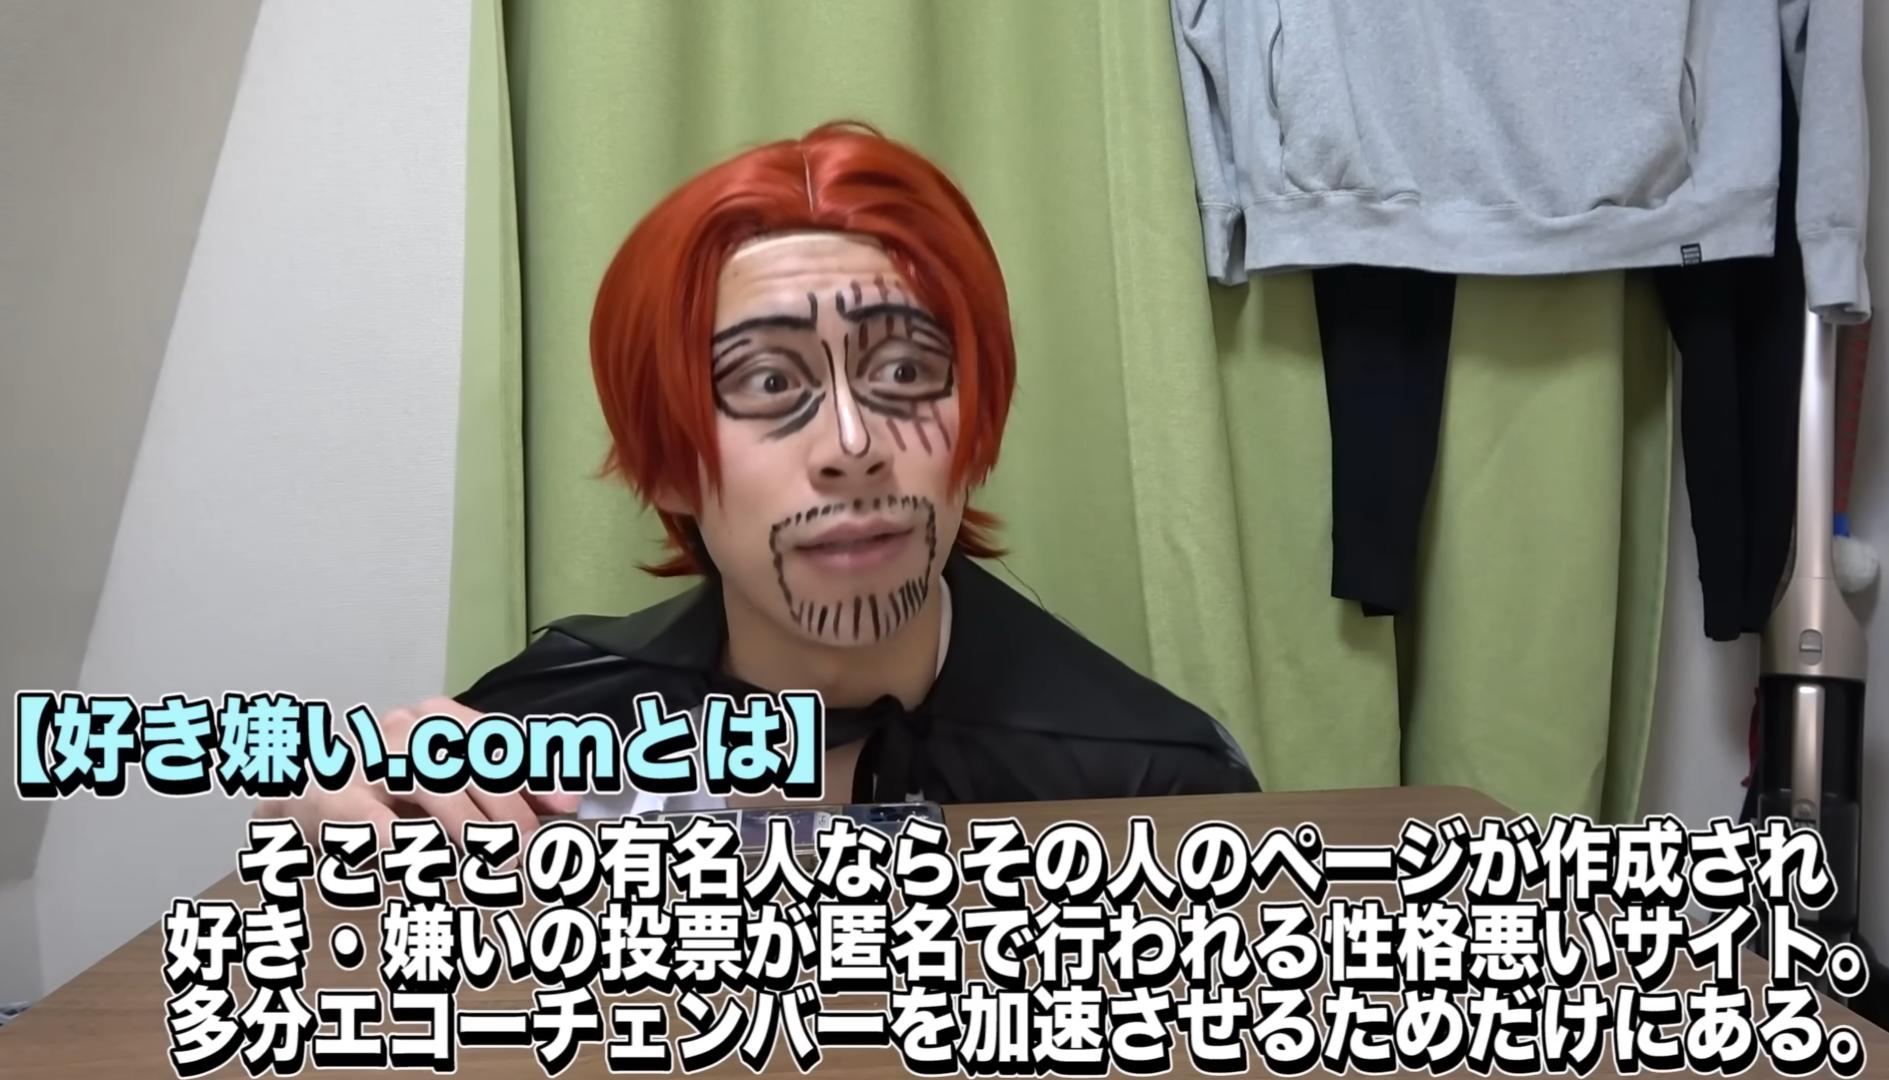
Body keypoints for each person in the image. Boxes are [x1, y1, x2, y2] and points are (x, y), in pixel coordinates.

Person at [261, 122, 1257, 841]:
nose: (853, 444)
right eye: (770, 382)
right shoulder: (556, 729)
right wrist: (322, 830)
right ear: (665, 463)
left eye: (904, 371)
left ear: (976, 428)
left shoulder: (1153, 786)